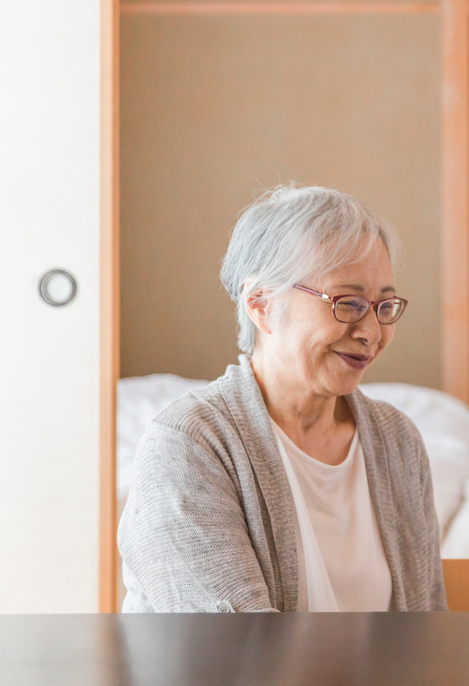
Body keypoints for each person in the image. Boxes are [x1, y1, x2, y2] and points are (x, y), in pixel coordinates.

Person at [118, 185, 446, 612]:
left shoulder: (397, 440)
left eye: (383, 307)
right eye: (346, 303)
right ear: (261, 305)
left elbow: (427, 629)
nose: (371, 332)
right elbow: (229, 654)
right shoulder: (190, 445)